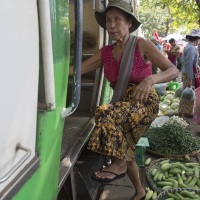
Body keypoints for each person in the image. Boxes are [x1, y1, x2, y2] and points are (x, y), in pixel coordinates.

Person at [70, 1, 179, 199]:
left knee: (104, 113)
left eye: (117, 20)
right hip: (122, 103)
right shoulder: (105, 53)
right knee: (125, 147)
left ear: (129, 23)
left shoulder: (141, 44)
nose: (111, 25)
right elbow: (77, 71)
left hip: (144, 102)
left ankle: (118, 163)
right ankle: (139, 190)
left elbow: (173, 70)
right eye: (108, 21)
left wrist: (150, 79)